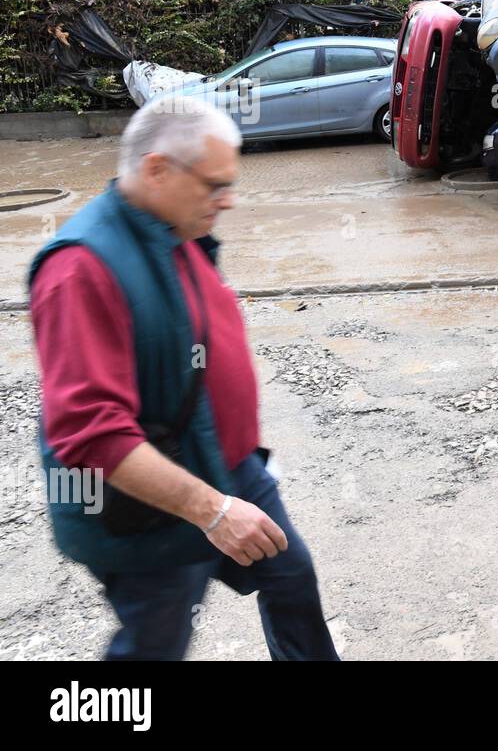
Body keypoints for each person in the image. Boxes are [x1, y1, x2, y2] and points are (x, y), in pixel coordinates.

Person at [29, 96, 338, 661]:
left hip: (226, 463)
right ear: (157, 169)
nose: (230, 199)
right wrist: (213, 512)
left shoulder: (172, 225)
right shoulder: (78, 269)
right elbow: (90, 434)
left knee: (290, 576)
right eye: (215, 185)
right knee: (156, 641)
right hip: (152, 505)